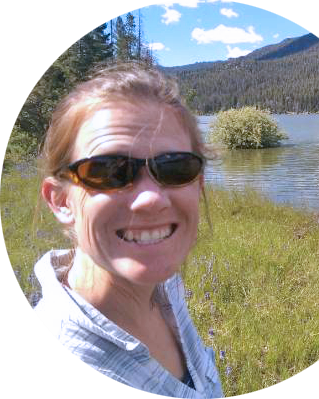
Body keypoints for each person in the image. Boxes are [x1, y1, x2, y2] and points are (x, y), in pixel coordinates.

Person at [33, 62, 223, 398]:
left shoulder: (166, 289)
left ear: (199, 184)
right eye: (108, 170)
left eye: (175, 167)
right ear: (60, 201)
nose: (150, 198)